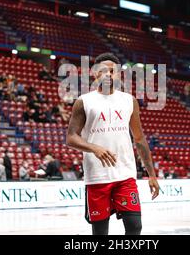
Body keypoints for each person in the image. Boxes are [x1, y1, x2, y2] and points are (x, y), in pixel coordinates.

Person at [66, 52, 159, 235]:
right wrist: (94, 148)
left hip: (125, 174)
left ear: (118, 74)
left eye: (112, 71)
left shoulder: (129, 101)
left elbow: (139, 139)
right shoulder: (84, 102)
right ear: (95, 74)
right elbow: (71, 137)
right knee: (100, 232)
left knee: (135, 226)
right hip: (97, 176)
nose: (108, 74)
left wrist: (152, 174)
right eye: (103, 71)